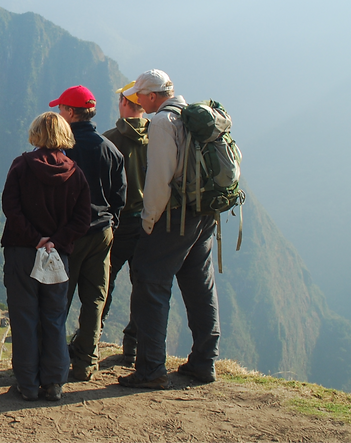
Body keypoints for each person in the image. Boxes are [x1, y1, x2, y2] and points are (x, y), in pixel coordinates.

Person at [118, 69, 221, 389]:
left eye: (140, 96)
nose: (138, 101)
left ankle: (150, 369)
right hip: (204, 214)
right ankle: (204, 362)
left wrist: (149, 222)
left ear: (152, 96)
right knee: (199, 284)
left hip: (175, 217)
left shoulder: (162, 123)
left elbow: (159, 179)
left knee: (150, 283)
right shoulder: (190, 115)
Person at [1, 112, 91, 401]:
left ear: (36, 133)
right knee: (54, 316)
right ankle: (54, 382)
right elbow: (82, 219)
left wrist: (34, 238)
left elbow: (10, 207)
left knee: (24, 316)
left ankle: (27, 384)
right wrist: (56, 241)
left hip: (22, 253)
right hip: (56, 256)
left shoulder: (21, 166)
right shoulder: (75, 173)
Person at [51, 85, 126, 381]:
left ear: (70, 113)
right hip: (101, 233)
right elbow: (120, 196)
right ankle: (85, 362)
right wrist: (109, 223)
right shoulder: (111, 149)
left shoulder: (62, 150)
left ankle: (53, 361)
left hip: (69, 235)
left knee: (59, 298)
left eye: (61, 109)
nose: (59, 114)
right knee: (95, 299)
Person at [100, 81, 150, 366]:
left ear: (123, 104)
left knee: (104, 282)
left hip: (118, 223)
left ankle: (91, 337)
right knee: (143, 285)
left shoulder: (109, 140)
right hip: (149, 223)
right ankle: (133, 346)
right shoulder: (160, 137)